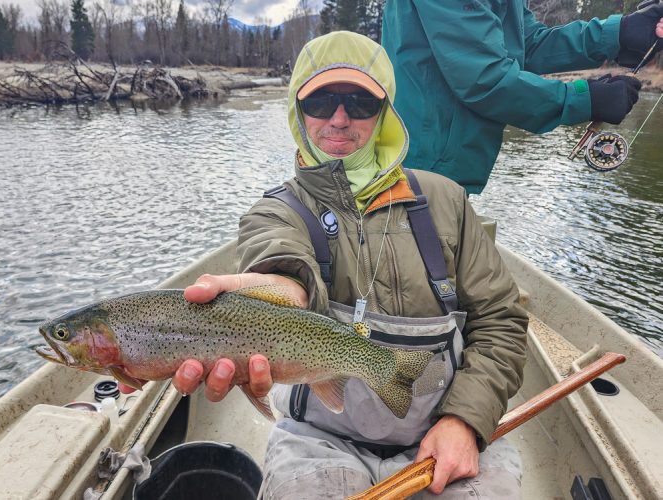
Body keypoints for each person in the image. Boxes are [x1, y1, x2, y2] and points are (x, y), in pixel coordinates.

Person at [124, 31, 528, 498]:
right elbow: (279, 262)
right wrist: (281, 291)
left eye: (359, 102)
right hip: (318, 438)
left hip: (448, 427)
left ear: (384, 114)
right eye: (321, 101)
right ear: (299, 112)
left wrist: (465, 419)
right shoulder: (275, 211)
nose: (339, 118)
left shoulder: (446, 201)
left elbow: (500, 321)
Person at [381, 1, 663, 194]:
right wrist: (583, 98)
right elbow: (483, 79)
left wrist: (619, 32)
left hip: (442, 170)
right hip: (419, 171)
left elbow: (529, 44)